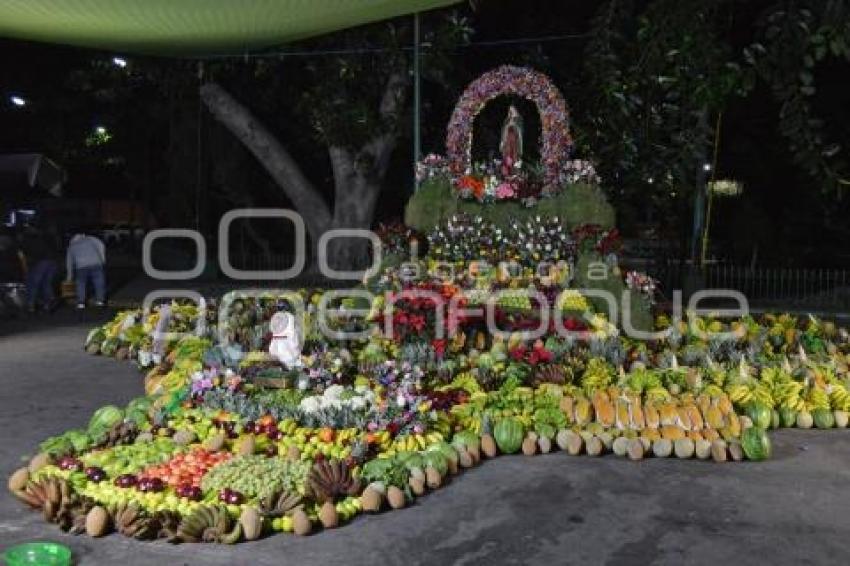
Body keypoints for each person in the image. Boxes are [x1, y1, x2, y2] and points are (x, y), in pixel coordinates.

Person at [17, 225, 59, 313]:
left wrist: (25, 270)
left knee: (33, 283)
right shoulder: (41, 237)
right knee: (46, 283)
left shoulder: (24, 241)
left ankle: (31, 305)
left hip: (41, 261)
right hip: (52, 261)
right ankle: (49, 301)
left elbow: (22, 257)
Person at [66, 230, 107, 309]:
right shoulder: (90, 239)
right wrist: (102, 259)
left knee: (81, 284)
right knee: (99, 283)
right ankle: (100, 301)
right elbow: (101, 245)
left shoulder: (71, 246)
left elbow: (69, 262)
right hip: (95, 263)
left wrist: (69, 276)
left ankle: (81, 303)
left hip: (81, 266)